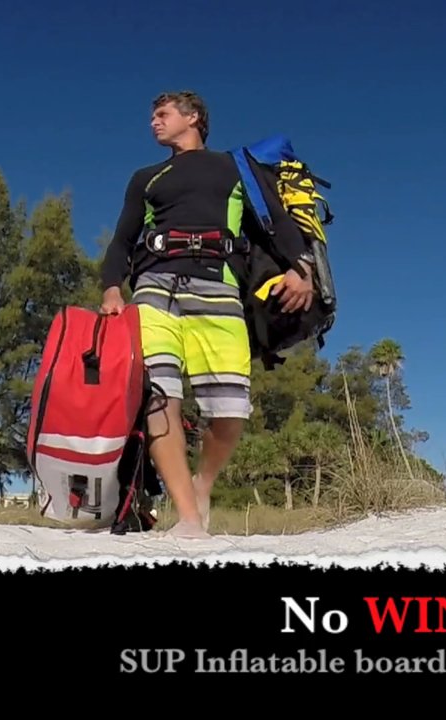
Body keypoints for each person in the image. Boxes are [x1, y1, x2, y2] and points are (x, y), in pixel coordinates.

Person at [98, 90, 316, 539]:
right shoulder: (146, 177)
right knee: (160, 399)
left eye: (162, 114)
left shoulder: (234, 168)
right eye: (153, 115)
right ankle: (188, 519)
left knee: (231, 409)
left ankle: (203, 483)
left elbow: (277, 223)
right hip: (154, 289)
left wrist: (303, 268)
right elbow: (122, 240)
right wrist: (112, 287)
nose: (153, 122)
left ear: (193, 116)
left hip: (218, 288)